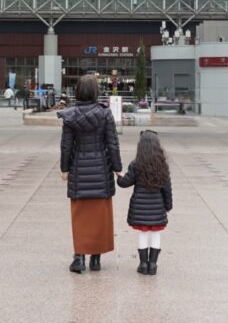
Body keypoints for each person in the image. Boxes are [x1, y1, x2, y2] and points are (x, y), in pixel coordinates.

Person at [57, 73, 121, 274]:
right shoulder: (105, 113)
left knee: (80, 216)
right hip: (101, 169)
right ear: (95, 91)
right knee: (100, 216)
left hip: (79, 169)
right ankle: (96, 259)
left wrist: (64, 168)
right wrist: (118, 167)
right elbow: (112, 143)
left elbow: (66, 145)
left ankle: (79, 258)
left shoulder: (70, 115)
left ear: (77, 91)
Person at [117, 130, 173, 275]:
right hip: (157, 207)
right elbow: (167, 188)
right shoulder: (162, 165)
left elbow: (125, 183)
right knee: (155, 235)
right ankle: (153, 265)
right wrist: (168, 206)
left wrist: (120, 176)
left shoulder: (136, 164)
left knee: (143, 234)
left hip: (140, 208)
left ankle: (143, 265)